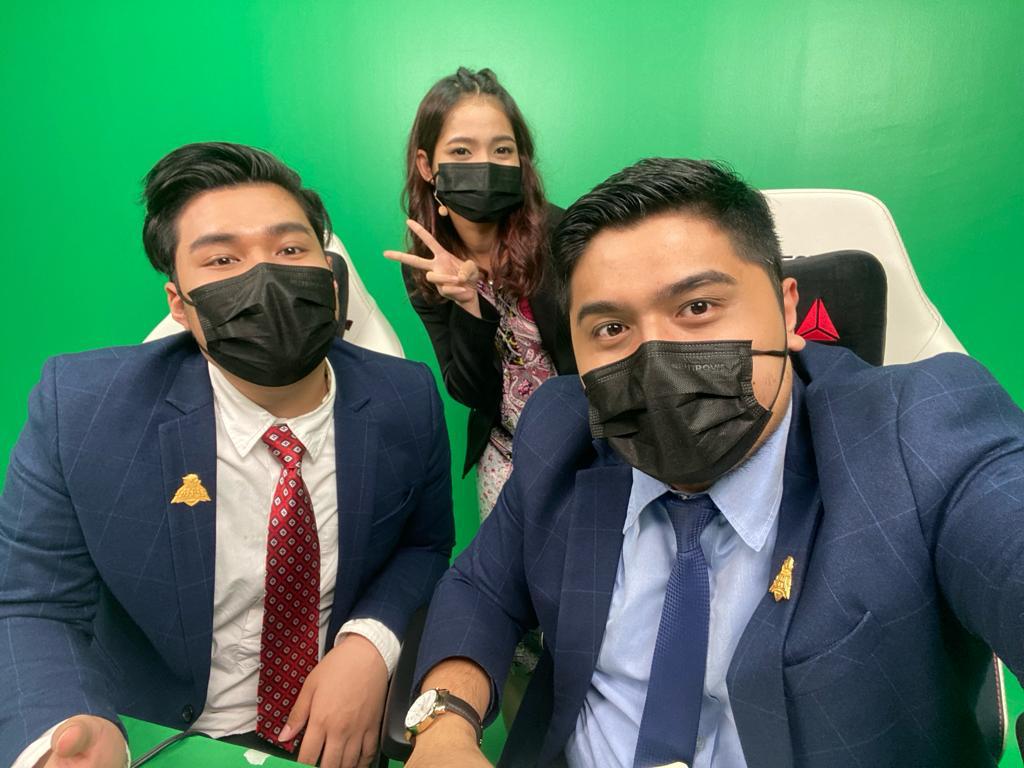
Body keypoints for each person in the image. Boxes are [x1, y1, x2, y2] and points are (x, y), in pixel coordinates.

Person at [404, 158, 1024, 767]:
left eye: (697, 307)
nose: (656, 361)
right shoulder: (562, 431)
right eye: (612, 329)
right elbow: (481, 588)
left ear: (786, 309)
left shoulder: (916, 431)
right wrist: (443, 725)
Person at [0, 142, 455, 768]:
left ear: (331, 276)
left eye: (290, 250)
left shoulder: (407, 397)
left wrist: (370, 644)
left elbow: (424, 548)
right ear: (180, 305)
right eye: (221, 259)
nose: (265, 275)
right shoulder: (81, 409)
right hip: (156, 738)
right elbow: (32, 604)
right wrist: (67, 728)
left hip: (338, 740)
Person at [384, 66, 576, 515]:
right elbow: (471, 392)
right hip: (504, 456)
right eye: (461, 150)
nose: (484, 164)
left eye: (502, 149)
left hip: (583, 450)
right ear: (427, 166)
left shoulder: (565, 235)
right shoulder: (425, 270)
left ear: (521, 161)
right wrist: (469, 306)